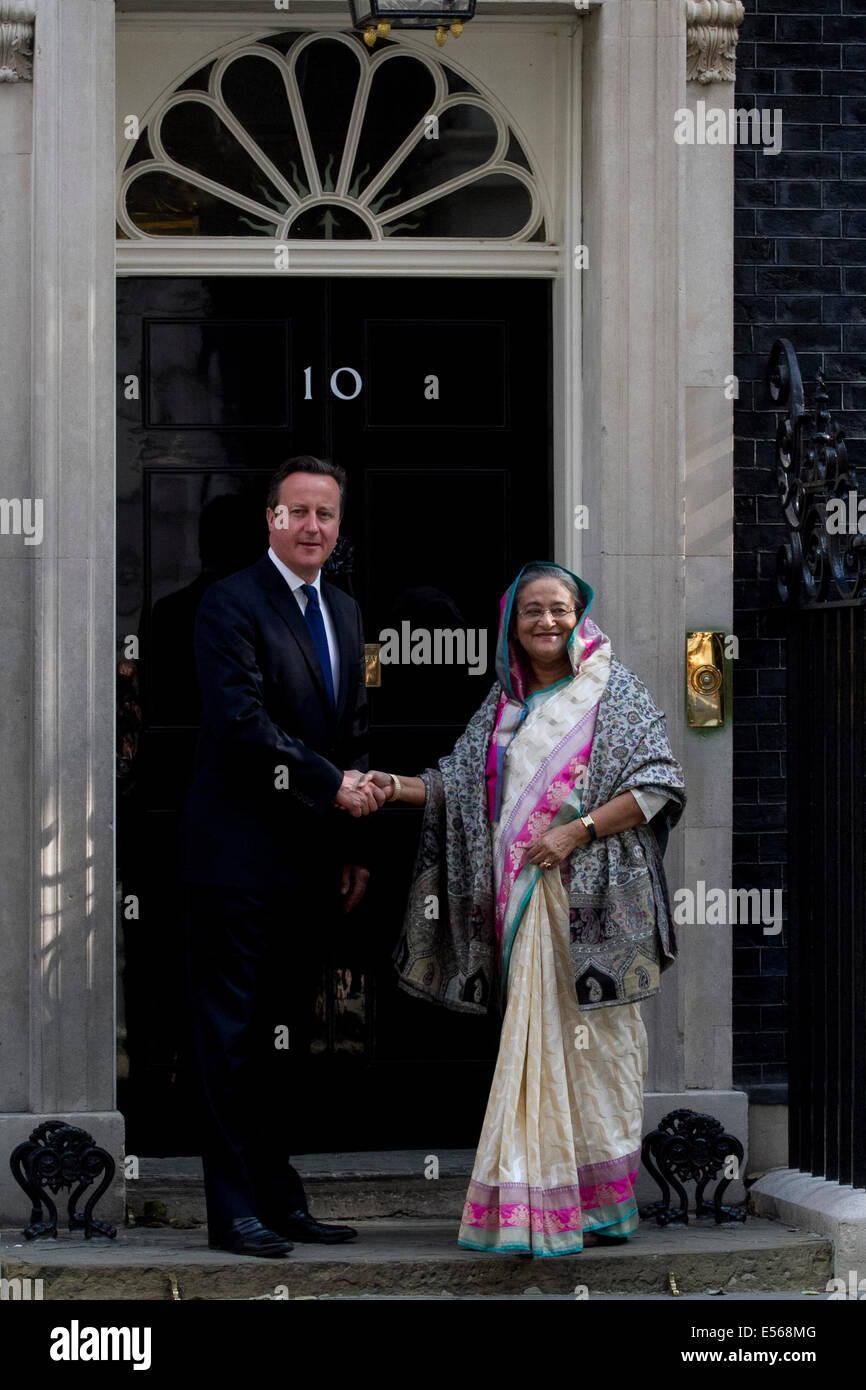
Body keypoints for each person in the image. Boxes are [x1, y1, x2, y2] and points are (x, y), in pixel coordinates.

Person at [367, 561, 685, 1257]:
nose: (547, 622)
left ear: (580, 615)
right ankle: (531, 1200)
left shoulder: (613, 690)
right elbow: (455, 786)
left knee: (600, 1050)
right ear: (513, 625)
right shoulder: (503, 704)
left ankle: (598, 1205)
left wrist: (576, 831)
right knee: (531, 1044)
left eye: (559, 609)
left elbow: (659, 783)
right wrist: (391, 786)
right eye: (532, 611)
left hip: (596, 902)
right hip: (519, 901)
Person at [179, 455, 386, 1258]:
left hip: (310, 864)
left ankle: (277, 1196)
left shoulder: (342, 609)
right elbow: (239, 723)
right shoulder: (228, 604)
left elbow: (355, 729)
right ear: (270, 519)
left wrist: (354, 840)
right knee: (228, 1040)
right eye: (295, 512)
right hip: (233, 862)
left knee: (283, 1040)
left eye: (324, 515)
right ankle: (232, 1213)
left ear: (338, 527)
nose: (310, 528)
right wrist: (333, 785)